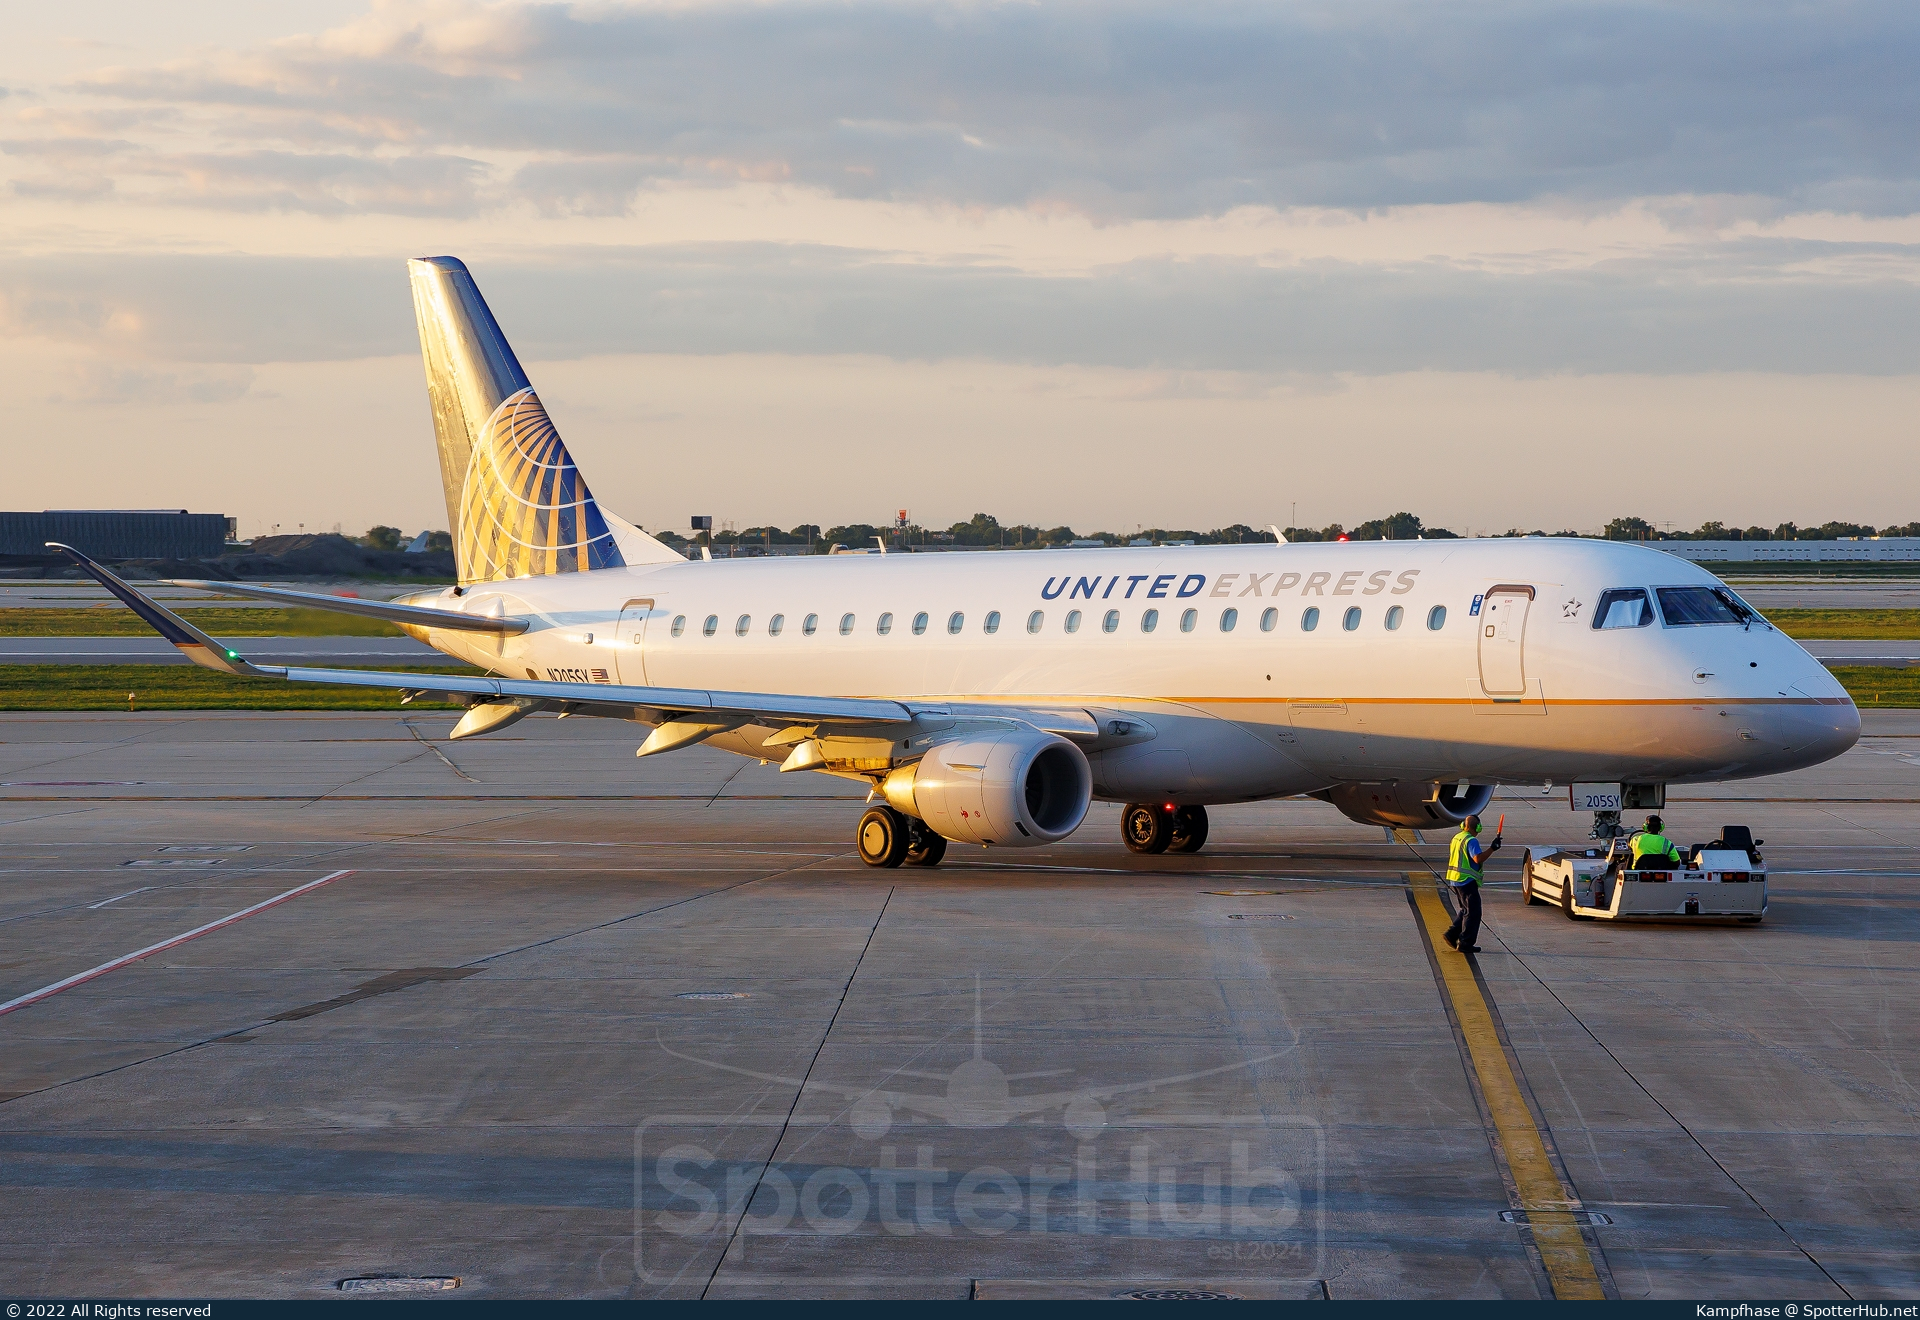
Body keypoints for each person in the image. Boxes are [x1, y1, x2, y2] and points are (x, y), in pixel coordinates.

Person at [1444, 814, 1500, 954]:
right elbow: (1477, 858)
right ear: (1478, 828)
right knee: (1473, 913)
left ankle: (1452, 935)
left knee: (1465, 910)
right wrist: (1492, 848)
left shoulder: (1457, 837)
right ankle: (1465, 943)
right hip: (1466, 880)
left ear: (1463, 826)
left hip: (1455, 879)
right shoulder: (1471, 841)